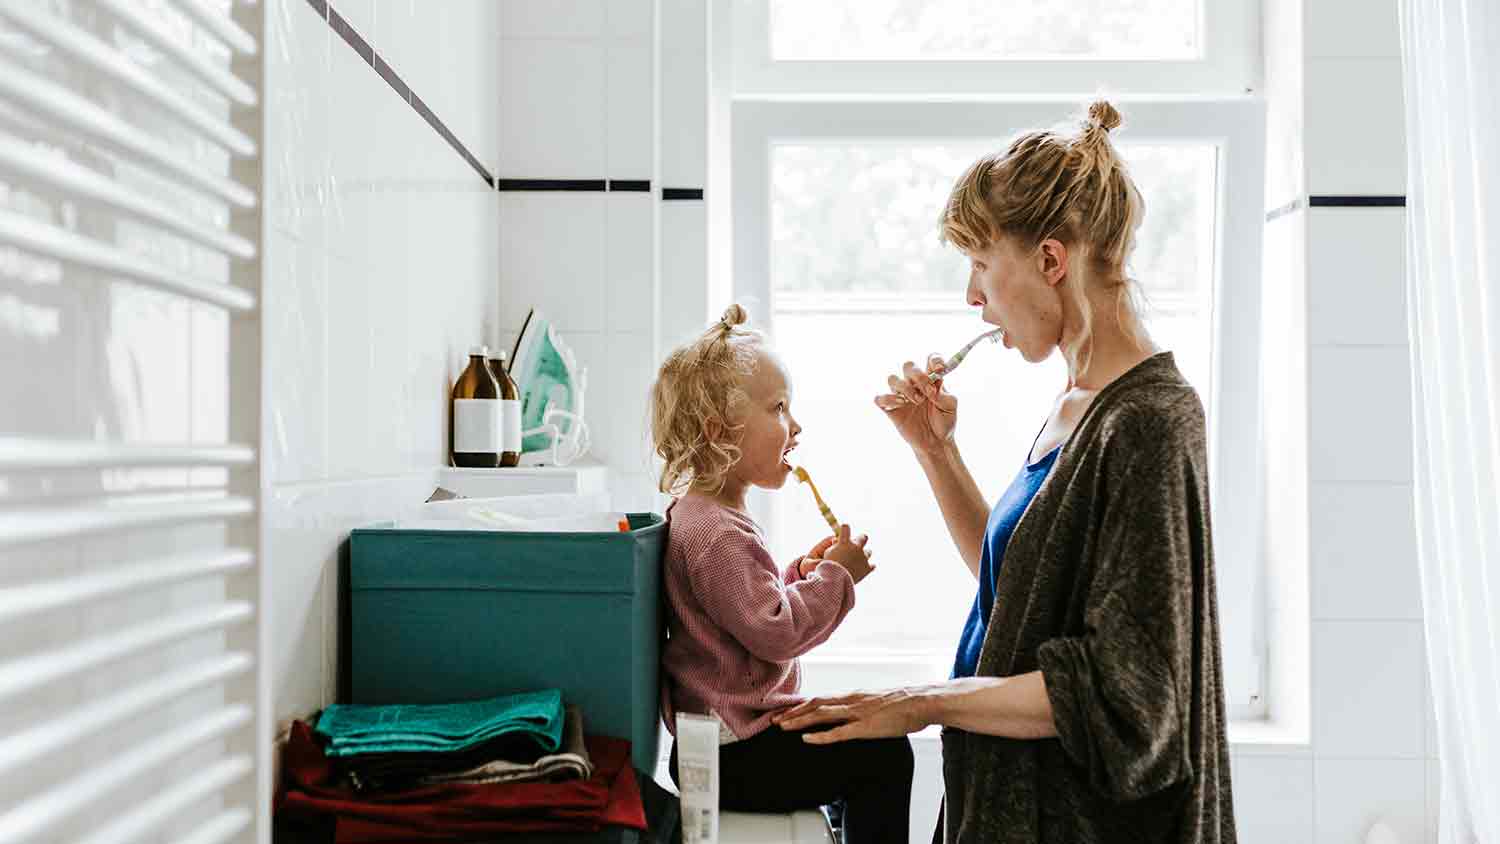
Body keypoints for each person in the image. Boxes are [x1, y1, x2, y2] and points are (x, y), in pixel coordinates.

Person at [775, 100, 1236, 843]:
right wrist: (935, 450)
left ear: (1052, 261)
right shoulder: (1078, 403)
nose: (972, 296)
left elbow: (1133, 694)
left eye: (982, 264)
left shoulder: (1148, 422)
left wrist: (920, 700)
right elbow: (1016, 586)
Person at [650, 304, 914, 844]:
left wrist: (800, 573)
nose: (795, 426)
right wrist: (836, 579)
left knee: (861, 731)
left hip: (725, 746)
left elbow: (739, 614)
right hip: (736, 755)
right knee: (885, 752)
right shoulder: (718, 533)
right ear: (719, 430)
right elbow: (775, 634)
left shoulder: (704, 516)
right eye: (778, 408)